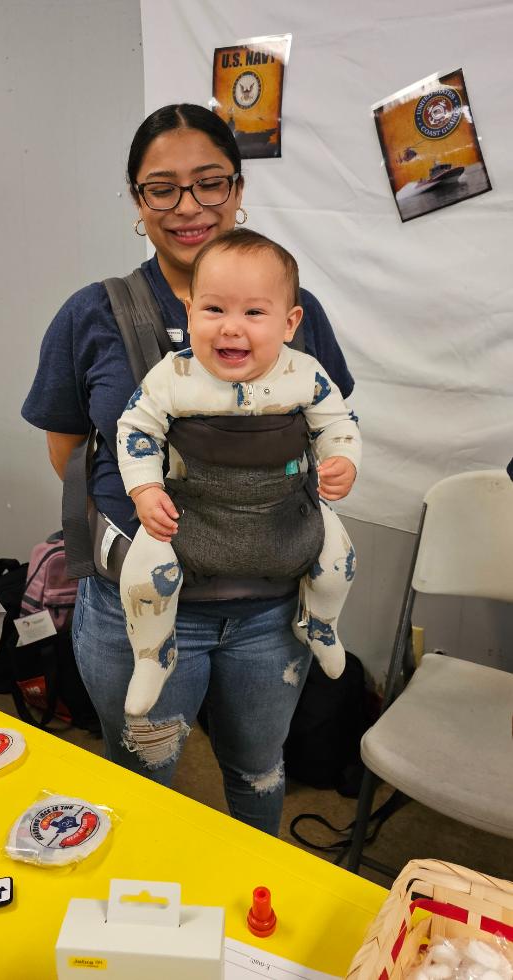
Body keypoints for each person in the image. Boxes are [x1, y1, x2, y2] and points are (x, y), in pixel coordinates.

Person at [22, 103, 355, 836]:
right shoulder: (93, 314)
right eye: (161, 189)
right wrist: (148, 497)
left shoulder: (297, 308)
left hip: (271, 611)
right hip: (137, 604)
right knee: (143, 778)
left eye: (209, 183)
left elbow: (328, 423)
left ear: (238, 188)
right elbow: (70, 452)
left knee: (259, 769)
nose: (188, 207)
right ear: (138, 203)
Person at [117, 229, 360, 716]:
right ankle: (153, 653)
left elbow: (338, 422)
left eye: (253, 312)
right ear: (189, 313)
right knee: (143, 573)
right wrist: (144, 490)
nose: (231, 328)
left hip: (286, 510)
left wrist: (343, 461)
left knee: (338, 560)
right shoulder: (172, 375)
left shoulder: (305, 373)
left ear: (289, 323)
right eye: (214, 310)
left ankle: (320, 623)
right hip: (192, 510)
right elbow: (135, 430)